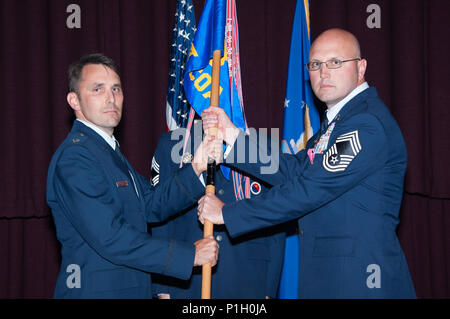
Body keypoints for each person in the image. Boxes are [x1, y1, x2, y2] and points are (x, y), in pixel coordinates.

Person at [199, 28, 416, 298]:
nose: (324, 72)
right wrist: (231, 136)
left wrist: (227, 214)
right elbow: (294, 170)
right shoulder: (338, 124)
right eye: (315, 64)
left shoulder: (365, 124)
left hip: (359, 282)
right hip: (333, 279)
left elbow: (308, 189)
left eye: (336, 62)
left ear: (361, 68)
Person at [46, 53, 220, 298]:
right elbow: (110, 237)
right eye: (98, 89)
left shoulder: (106, 150)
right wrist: (189, 255)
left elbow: (150, 204)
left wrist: (197, 168)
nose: (111, 98)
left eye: (116, 89)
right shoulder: (76, 157)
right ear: (74, 100)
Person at [150, 120, 286, 299]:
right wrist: (162, 288)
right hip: (187, 280)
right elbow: (160, 217)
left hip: (248, 278)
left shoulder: (262, 145)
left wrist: (269, 288)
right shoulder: (173, 144)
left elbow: (276, 221)